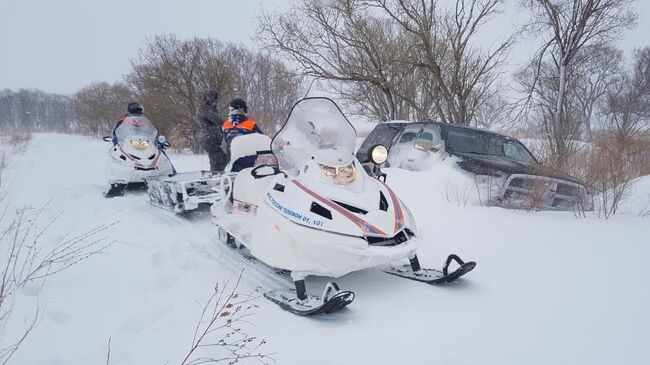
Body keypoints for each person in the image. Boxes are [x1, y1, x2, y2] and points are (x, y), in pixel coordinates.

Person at [197, 89, 228, 171]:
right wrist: (228, 123)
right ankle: (215, 178)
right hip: (209, 139)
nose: (215, 101)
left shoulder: (210, 109)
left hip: (213, 139)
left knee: (223, 160)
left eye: (215, 98)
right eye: (213, 98)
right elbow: (217, 120)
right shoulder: (205, 109)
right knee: (216, 162)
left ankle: (217, 176)